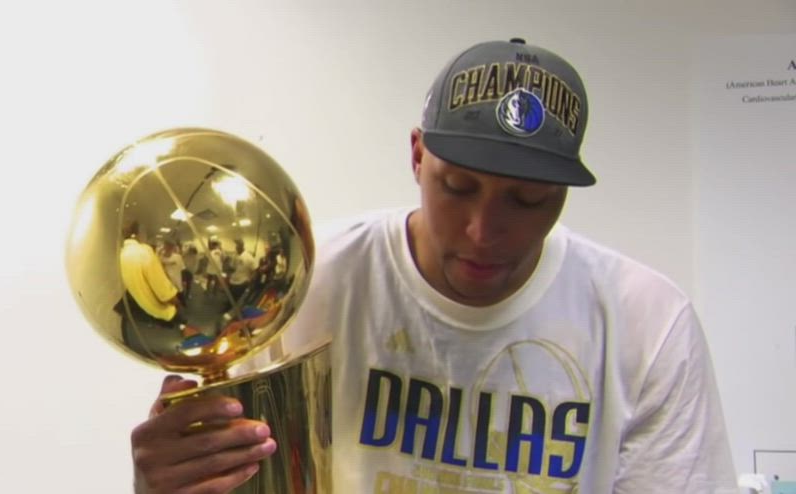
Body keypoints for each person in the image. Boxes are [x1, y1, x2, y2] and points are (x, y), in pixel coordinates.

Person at [130, 39, 737, 493]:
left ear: (562, 196)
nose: (483, 232)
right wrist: (167, 482)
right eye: (458, 188)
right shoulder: (300, 286)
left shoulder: (646, 323)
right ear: (418, 155)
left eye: (527, 201)